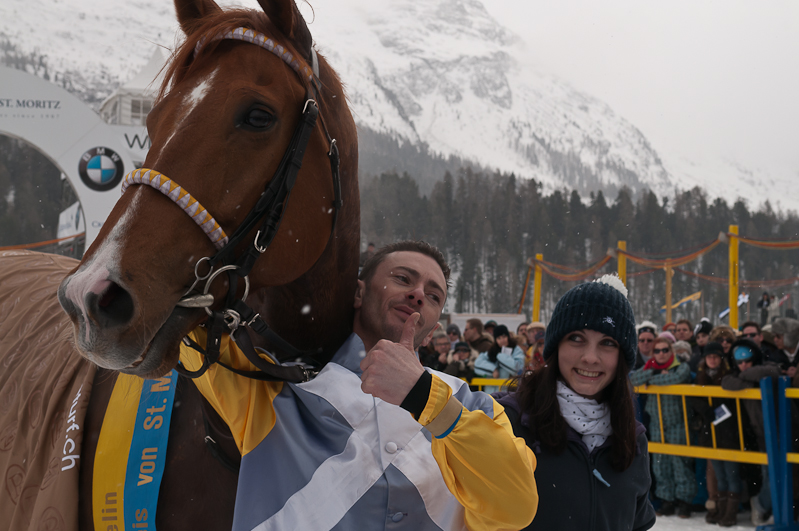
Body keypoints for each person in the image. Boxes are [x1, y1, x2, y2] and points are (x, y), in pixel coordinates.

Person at [180, 241, 538, 530]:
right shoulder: (273, 388)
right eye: (403, 278)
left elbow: (515, 507)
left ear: (433, 326)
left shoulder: (474, 406)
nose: (417, 294)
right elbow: (182, 311)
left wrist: (426, 398)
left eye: (433, 296)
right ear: (358, 293)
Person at [494, 274, 656, 530]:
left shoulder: (632, 439)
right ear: (556, 346)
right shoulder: (508, 422)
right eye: (577, 339)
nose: (590, 358)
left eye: (607, 343)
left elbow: (637, 522)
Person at [630, 336, 695, 518]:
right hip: (657, 421)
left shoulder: (680, 365)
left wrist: (652, 380)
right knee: (660, 464)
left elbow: (677, 378)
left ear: (671, 351)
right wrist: (655, 375)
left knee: (680, 462)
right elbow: (634, 379)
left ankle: (684, 500)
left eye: (665, 350)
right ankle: (667, 500)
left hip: (678, 421)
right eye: (657, 351)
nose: (661, 354)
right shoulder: (651, 366)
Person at [721, 338, 779, 526]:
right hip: (762, 435)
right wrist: (748, 380)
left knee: (781, 473)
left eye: (748, 360)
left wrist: (745, 377)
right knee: (770, 475)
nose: (744, 365)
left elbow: (771, 371)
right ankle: (763, 505)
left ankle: (771, 508)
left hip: (782, 430)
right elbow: (727, 382)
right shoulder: (736, 377)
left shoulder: (766, 367)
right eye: (739, 362)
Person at [690, 342, 740, 526]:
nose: (712, 359)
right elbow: (694, 398)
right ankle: (720, 507)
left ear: (721, 359)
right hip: (710, 431)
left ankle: (731, 511)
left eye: (716, 356)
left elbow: (734, 401)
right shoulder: (700, 376)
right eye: (709, 356)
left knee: (731, 473)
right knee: (719, 472)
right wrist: (706, 409)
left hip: (728, 431)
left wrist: (719, 408)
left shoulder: (728, 375)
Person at [474, 325, 525, 393]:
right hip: (491, 393)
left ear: (508, 337)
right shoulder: (492, 351)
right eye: (499, 338)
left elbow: (518, 368)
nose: (502, 340)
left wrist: (500, 356)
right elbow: (478, 363)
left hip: (508, 393)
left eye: (504, 337)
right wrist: (493, 369)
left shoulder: (516, 350)